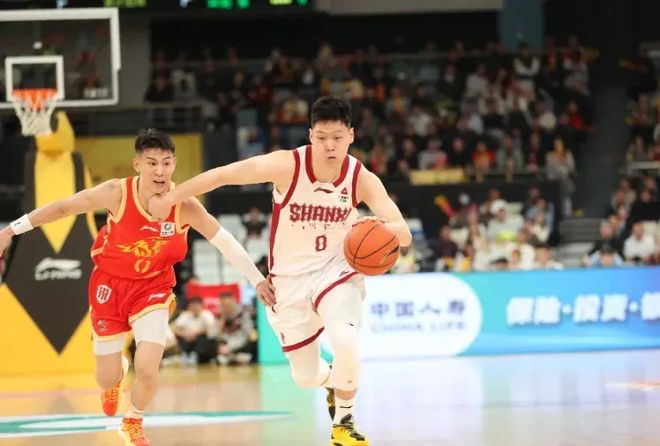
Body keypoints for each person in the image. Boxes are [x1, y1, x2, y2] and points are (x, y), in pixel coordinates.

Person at [149, 96, 412, 446]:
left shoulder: (361, 178)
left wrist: (373, 226)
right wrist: (172, 198)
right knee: (306, 377)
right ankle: (333, 384)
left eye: (337, 137)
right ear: (310, 135)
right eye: (322, 137)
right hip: (289, 282)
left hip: (336, 271)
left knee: (345, 339)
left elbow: (404, 233)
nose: (329, 146)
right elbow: (224, 175)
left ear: (350, 135)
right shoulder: (287, 165)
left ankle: (344, 423)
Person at [0, 129, 273, 446]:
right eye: (152, 163)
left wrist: (257, 278)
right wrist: (11, 230)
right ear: (137, 165)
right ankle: (116, 375)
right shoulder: (116, 193)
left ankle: (132, 420)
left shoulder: (185, 205)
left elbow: (224, 241)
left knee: (148, 367)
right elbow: (64, 207)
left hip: (153, 287)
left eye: (166, 163)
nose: (160, 170)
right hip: (109, 285)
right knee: (106, 377)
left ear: (174, 165)